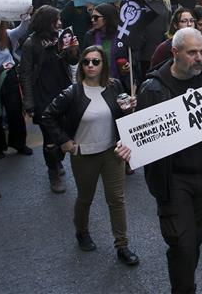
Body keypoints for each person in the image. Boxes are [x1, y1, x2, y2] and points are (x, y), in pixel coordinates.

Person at [116, 28, 202, 294]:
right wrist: (128, 149)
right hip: (172, 179)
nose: (200, 58)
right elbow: (140, 139)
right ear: (175, 53)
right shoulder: (152, 89)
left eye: (201, 52)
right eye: (192, 53)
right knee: (182, 243)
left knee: (193, 240)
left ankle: (182, 274)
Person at [40, 46, 139, 266]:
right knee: (86, 198)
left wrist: (128, 108)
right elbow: (48, 116)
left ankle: (122, 245)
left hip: (112, 153)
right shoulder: (72, 92)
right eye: (86, 62)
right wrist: (65, 141)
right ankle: (82, 231)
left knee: (117, 200)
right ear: (82, 65)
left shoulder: (114, 86)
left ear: (103, 64)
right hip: (84, 155)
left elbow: (124, 113)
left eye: (96, 61)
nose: (91, 66)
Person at [21, 5, 79, 193]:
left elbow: (72, 62)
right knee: (50, 137)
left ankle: (57, 160)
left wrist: (72, 50)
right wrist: (29, 102)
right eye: (57, 20)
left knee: (65, 131)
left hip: (63, 94)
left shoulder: (61, 38)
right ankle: (53, 172)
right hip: (42, 96)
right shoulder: (31, 44)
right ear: (47, 22)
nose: (60, 23)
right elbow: (26, 75)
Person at [0, 14, 33, 158]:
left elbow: (23, 28)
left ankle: (19, 143)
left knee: (15, 111)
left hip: (9, 77)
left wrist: (25, 16)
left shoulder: (8, 35)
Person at [82, 3, 131, 91]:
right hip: (95, 83)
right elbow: (83, 59)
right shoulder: (89, 36)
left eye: (96, 17)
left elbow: (132, 55)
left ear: (107, 18)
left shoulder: (123, 35)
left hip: (119, 84)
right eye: (92, 17)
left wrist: (129, 65)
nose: (93, 20)